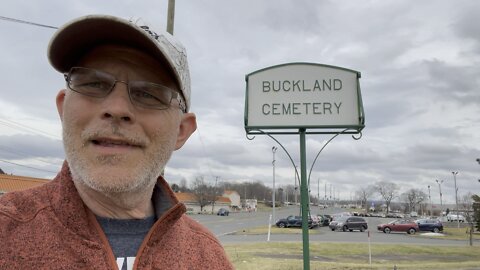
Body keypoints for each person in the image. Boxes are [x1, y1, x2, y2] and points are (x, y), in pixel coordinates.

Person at [0, 15, 233, 270]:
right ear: (63, 109)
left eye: (148, 94)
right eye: (94, 84)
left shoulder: (208, 258)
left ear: (181, 131)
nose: (116, 108)